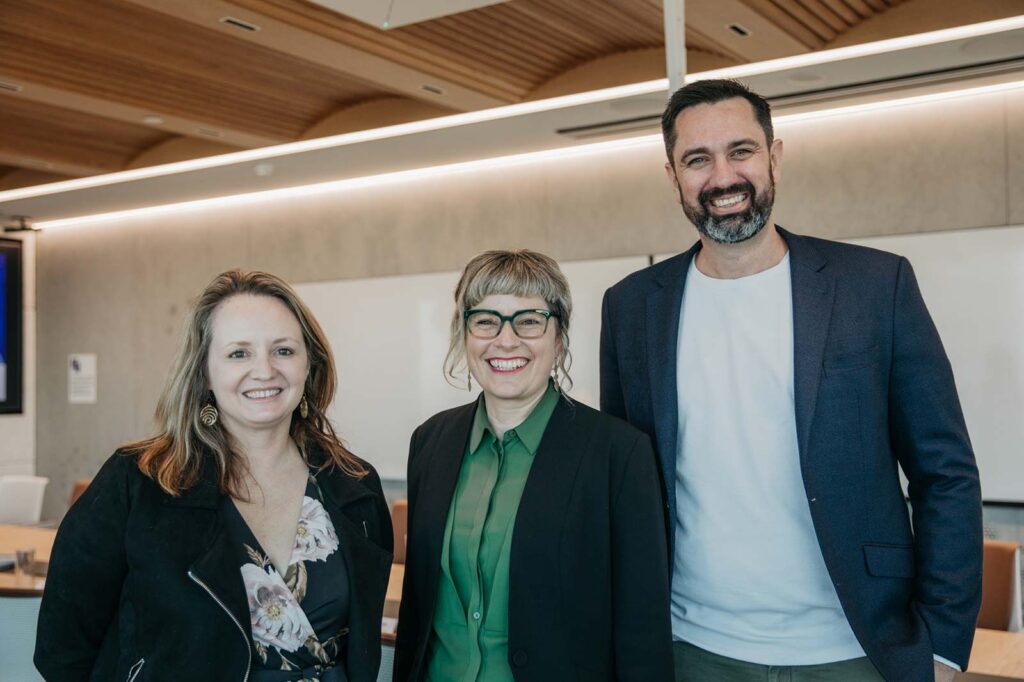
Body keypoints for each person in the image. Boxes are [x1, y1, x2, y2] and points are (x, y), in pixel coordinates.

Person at [600, 79, 982, 682]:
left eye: (741, 151)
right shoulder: (630, 308)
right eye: (697, 160)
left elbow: (946, 473)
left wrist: (944, 644)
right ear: (673, 177)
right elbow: (622, 484)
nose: (723, 177)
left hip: (857, 646)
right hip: (689, 647)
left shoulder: (874, 286)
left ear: (774, 157)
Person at [36, 270, 393, 682]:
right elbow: (62, 648)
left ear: (309, 363)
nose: (264, 371)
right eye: (238, 354)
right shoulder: (137, 482)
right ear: (204, 371)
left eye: (283, 350)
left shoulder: (353, 483)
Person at [394, 250, 673, 681]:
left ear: (559, 338)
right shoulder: (430, 442)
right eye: (485, 320)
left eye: (529, 320)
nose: (506, 340)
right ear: (463, 335)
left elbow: (643, 631)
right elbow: (417, 606)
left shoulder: (619, 454)